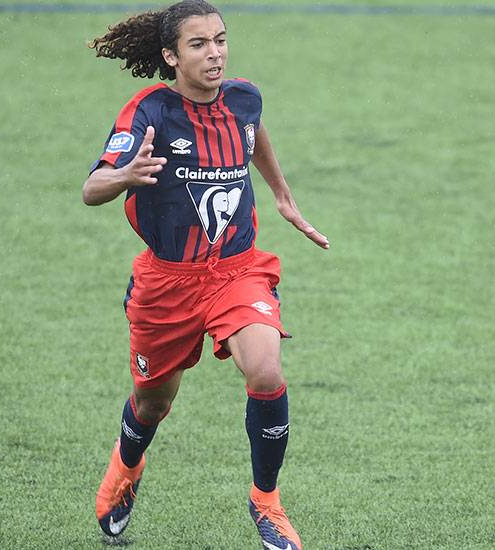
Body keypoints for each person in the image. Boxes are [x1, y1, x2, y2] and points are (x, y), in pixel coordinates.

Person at [82, 1, 328, 548]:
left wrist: (282, 193)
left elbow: (252, 132)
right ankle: (127, 466)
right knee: (153, 402)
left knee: (266, 370)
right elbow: (90, 189)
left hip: (236, 269)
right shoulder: (148, 111)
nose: (214, 52)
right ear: (171, 55)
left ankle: (266, 500)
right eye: (198, 44)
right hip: (167, 282)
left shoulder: (244, 97)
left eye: (220, 39)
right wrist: (124, 174)